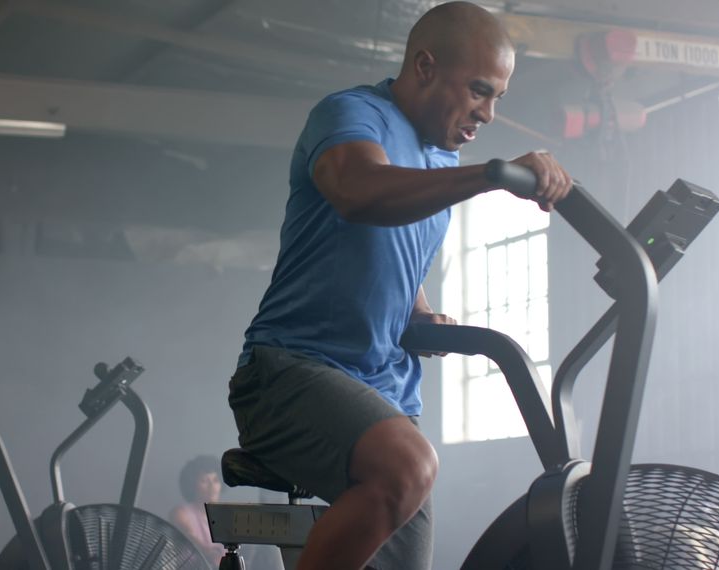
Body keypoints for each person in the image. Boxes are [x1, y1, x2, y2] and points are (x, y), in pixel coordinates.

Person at [227, 2, 572, 569]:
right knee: (408, 467)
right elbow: (359, 192)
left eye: (498, 99)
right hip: (289, 374)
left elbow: (397, 267)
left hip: (385, 391)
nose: (487, 113)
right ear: (425, 67)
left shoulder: (439, 161)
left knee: (409, 521)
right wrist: (489, 176)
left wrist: (422, 315)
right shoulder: (351, 113)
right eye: (479, 91)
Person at [169, 455, 226, 565]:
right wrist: (209, 553)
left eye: (216, 480)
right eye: (204, 480)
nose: (212, 486)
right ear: (192, 485)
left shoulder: (225, 518)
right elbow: (189, 536)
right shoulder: (180, 513)